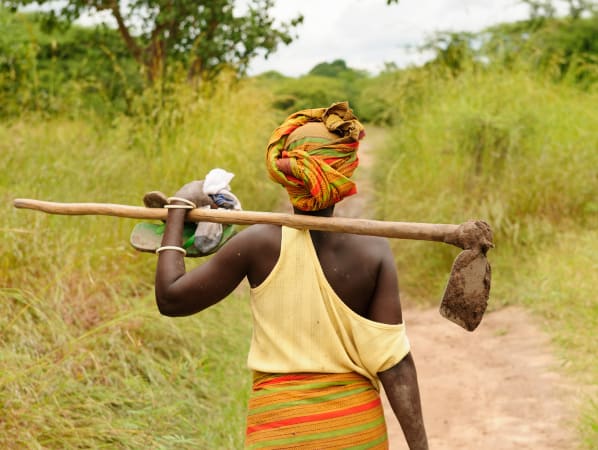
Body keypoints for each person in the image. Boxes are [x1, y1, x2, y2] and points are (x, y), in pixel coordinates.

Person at [153, 102, 429, 449]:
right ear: (343, 174)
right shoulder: (373, 250)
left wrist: (177, 209)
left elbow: (171, 298)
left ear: (286, 174)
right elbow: (394, 363)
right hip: (355, 431)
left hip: (280, 431)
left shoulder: (256, 243)